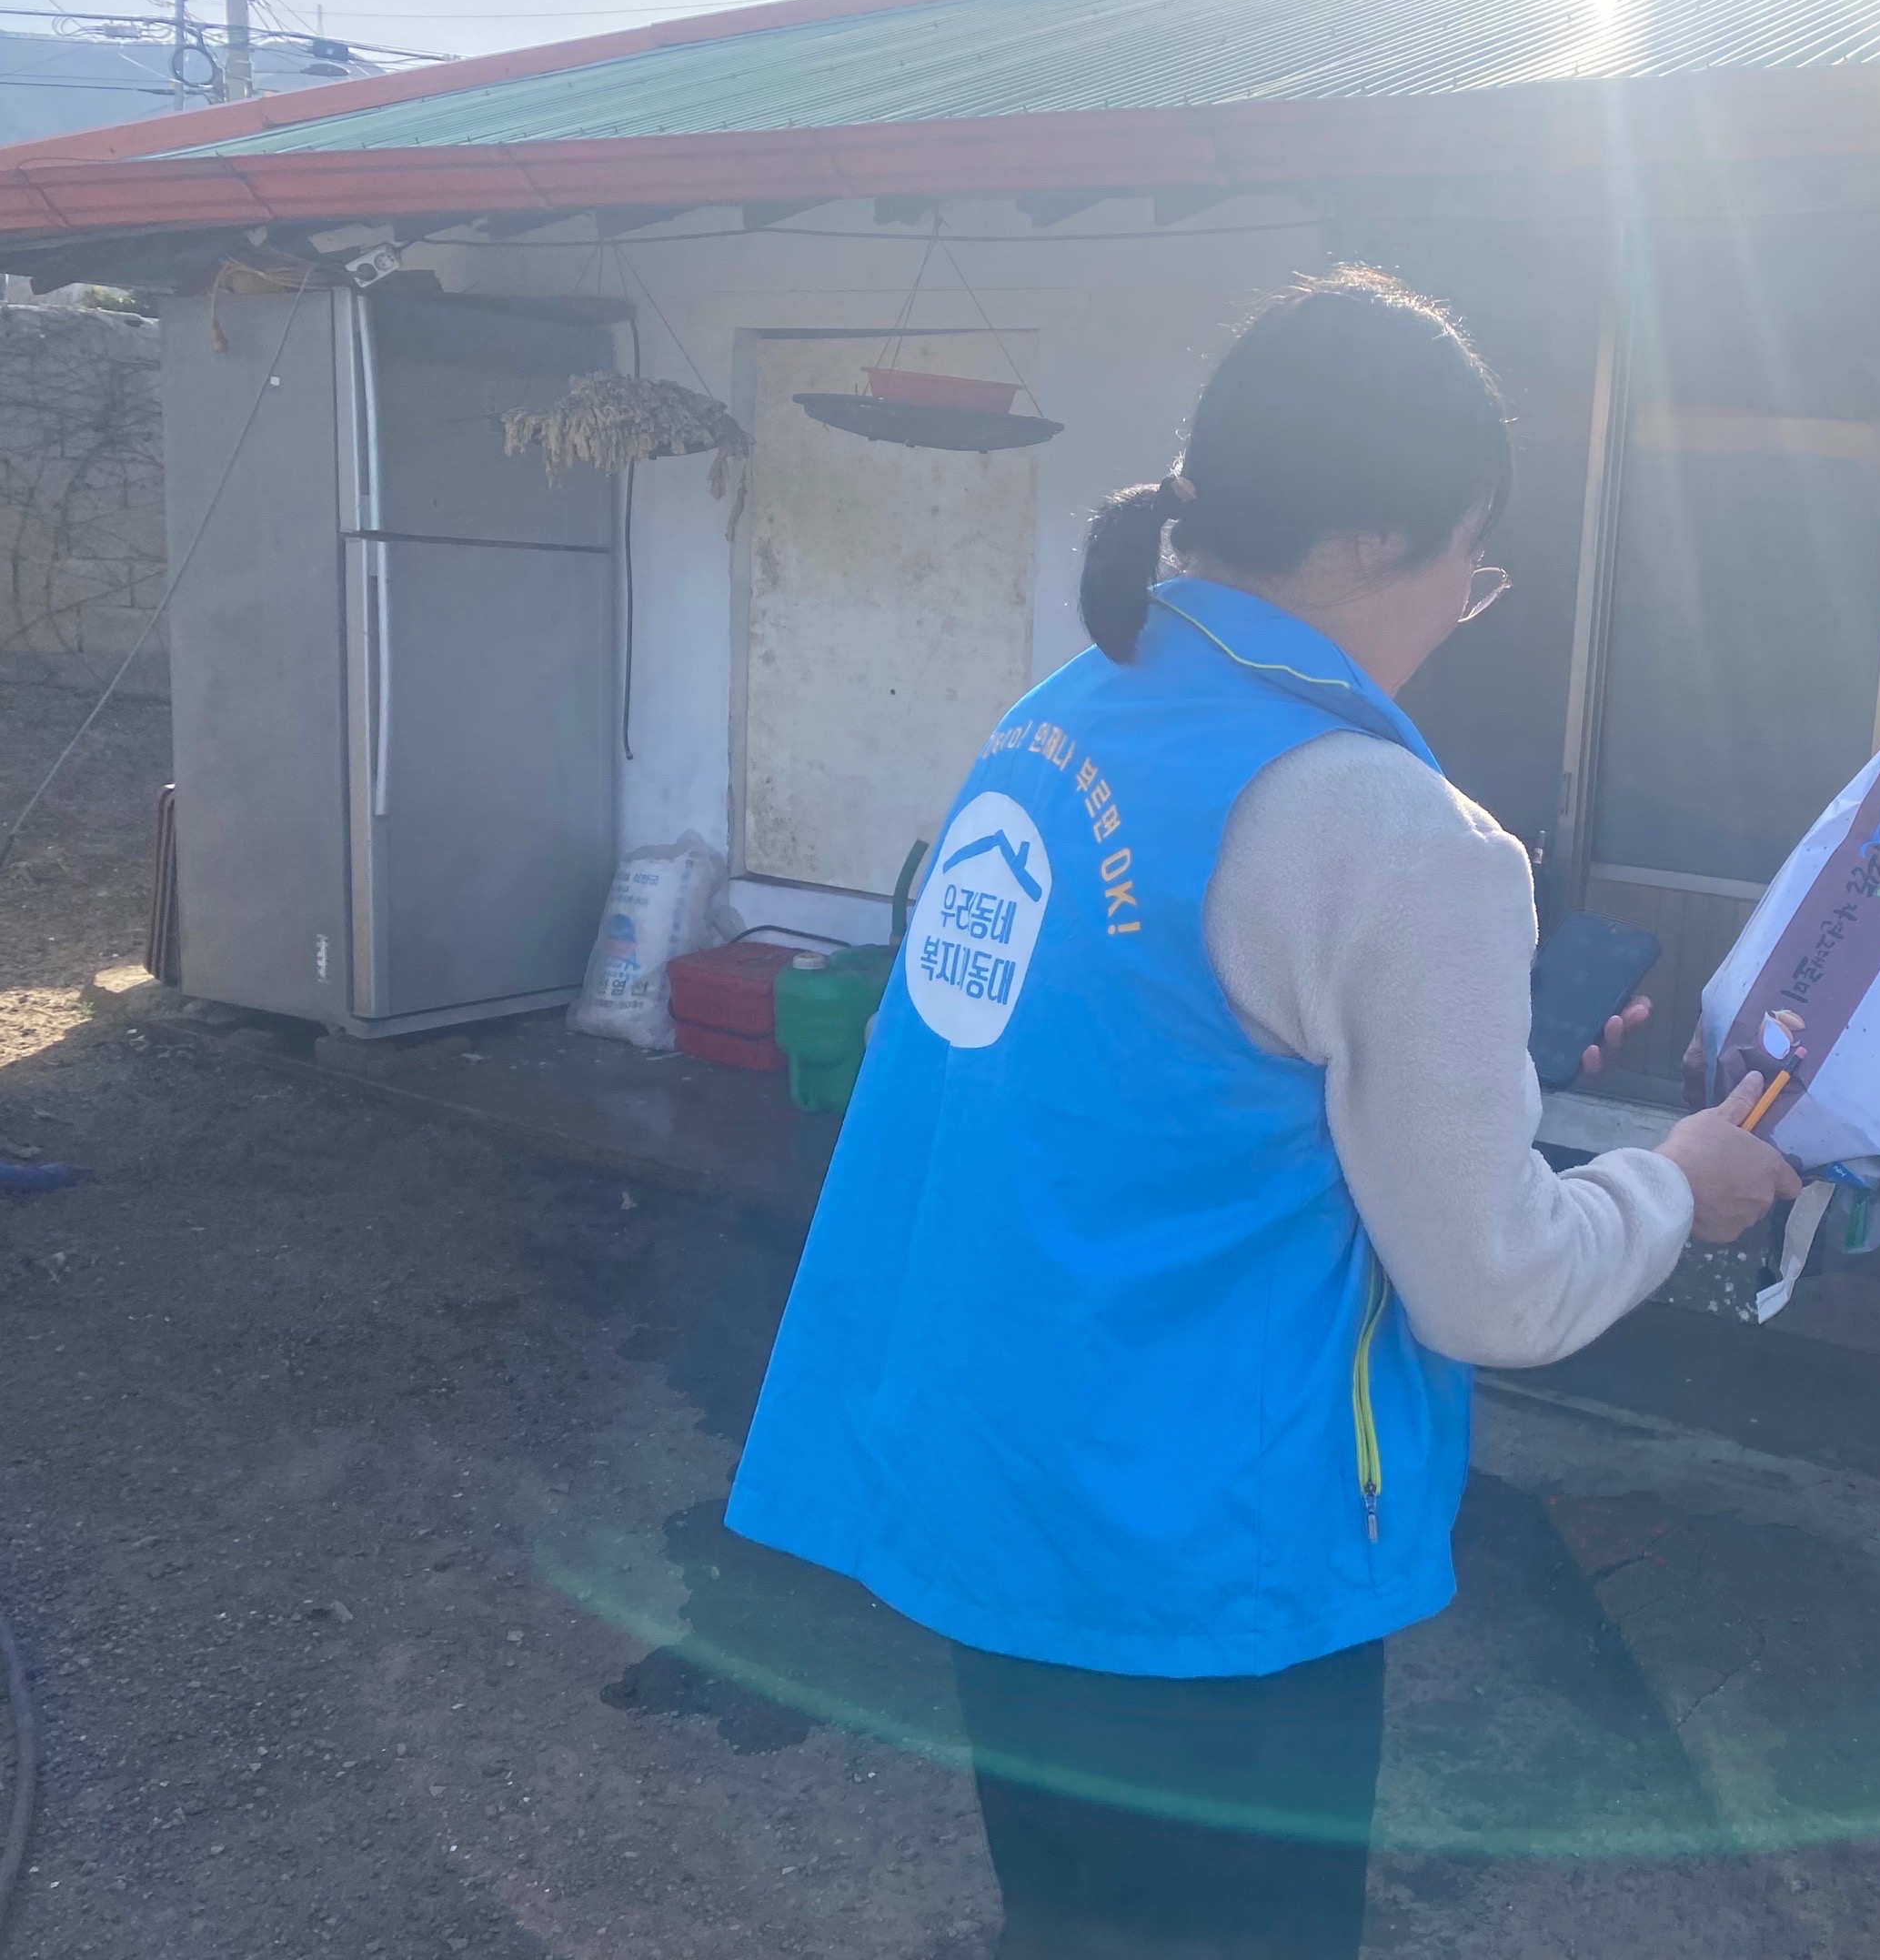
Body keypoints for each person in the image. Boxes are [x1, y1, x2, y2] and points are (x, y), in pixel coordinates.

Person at [726, 267, 1801, 1960]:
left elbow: (1146, 1071)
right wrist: (1677, 1182)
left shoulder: (1049, 722)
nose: (1465, 608)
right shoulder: (1389, 826)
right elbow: (1498, 1287)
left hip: (1001, 1494)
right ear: (1372, 539)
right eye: (1471, 561)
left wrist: (1468, 1042)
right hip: (1200, 1568)